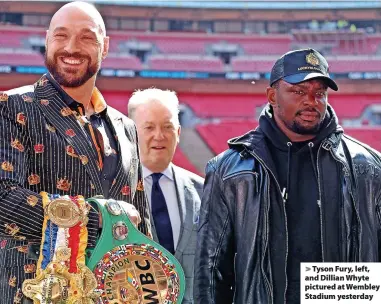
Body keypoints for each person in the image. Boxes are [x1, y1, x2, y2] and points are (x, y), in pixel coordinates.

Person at [194, 48, 381, 304]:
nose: (311, 101)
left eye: (319, 93)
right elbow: (211, 266)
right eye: (299, 91)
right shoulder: (228, 170)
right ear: (272, 95)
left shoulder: (367, 165)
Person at [0, 2, 150, 303]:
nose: (71, 47)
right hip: (33, 293)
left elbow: (139, 223)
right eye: (61, 35)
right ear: (47, 40)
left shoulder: (127, 127)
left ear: (104, 47)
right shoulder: (10, 106)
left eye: (86, 37)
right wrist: (98, 219)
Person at [128, 88, 204, 304]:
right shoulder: (112, 193)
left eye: (168, 127)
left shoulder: (204, 190)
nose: (159, 136)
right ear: (130, 133)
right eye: (149, 127)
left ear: (178, 133)